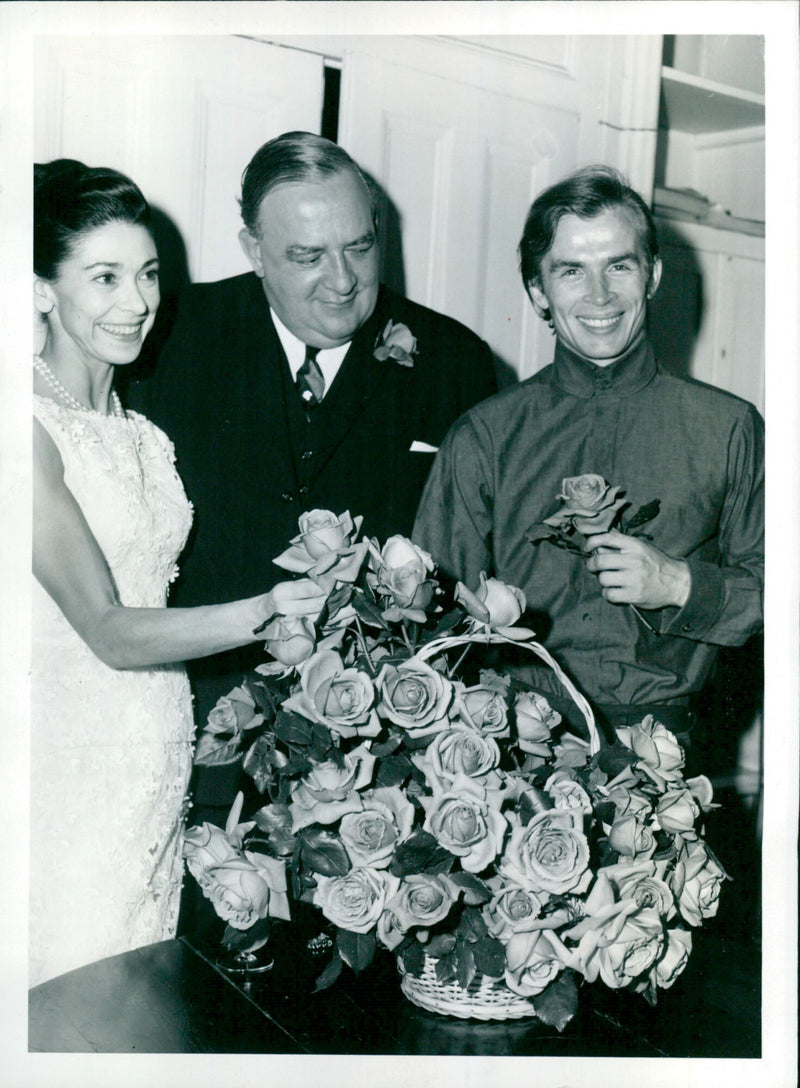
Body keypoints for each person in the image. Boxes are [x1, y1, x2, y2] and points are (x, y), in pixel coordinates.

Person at [126, 131, 497, 819]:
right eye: (307, 256)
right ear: (253, 250)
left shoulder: (455, 361)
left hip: (379, 751)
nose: (344, 279)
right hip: (192, 727)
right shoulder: (169, 338)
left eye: (359, 246)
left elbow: (466, 568)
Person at [30, 160, 324, 985]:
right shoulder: (23, 430)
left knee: (127, 991)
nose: (138, 301)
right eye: (106, 277)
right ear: (42, 286)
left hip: (154, 757)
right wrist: (263, 611)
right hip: (60, 762)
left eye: (150, 273)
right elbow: (109, 629)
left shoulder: (139, 430)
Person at [414, 164, 764, 748]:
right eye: (571, 271)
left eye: (618, 266)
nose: (599, 296)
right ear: (537, 291)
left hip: (669, 760)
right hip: (511, 762)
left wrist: (680, 584)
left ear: (652, 275)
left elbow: (782, 599)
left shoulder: (730, 428)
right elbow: (430, 622)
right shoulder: (483, 437)